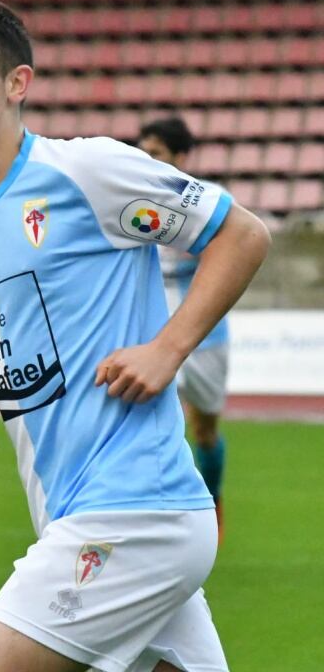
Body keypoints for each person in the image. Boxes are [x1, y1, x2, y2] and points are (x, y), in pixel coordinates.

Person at [0, 0, 270, 672]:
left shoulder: (86, 171)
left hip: (134, 509)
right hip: (84, 515)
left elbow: (241, 233)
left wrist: (167, 348)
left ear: (17, 83)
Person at [138, 117, 231, 535]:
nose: (147, 160)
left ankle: (212, 500)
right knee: (151, 423)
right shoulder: (131, 203)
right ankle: (163, 515)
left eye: (155, 153)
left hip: (207, 337)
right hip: (153, 335)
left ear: (180, 157)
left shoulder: (208, 203)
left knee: (204, 429)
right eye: (143, 151)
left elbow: (231, 252)